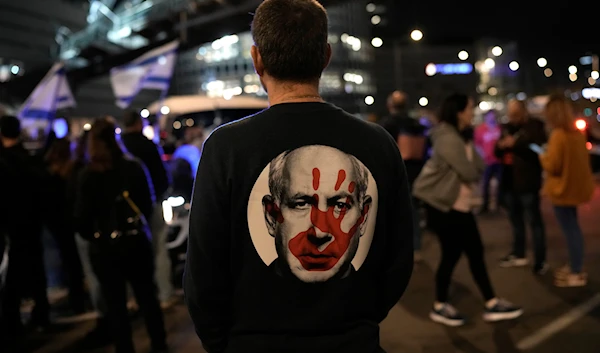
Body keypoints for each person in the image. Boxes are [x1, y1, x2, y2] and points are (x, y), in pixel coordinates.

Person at [184, 1, 414, 352]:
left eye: (339, 204)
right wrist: (357, 322)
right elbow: (398, 260)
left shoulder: (226, 147)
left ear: (256, 59)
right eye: (300, 202)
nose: (320, 230)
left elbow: (203, 273)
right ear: (326, 56)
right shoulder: (378, 143)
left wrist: (226, 343)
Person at [413, 94, 523, 327]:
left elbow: (480, 165)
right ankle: (452, 305)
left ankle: (483, 303)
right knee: (462, 253)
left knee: (464, 253)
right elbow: (470, 172)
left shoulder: (462, 136)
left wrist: (471, 160)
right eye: (470, 108)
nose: (473, 112)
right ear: (459, 112)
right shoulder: (447, 138)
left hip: (457, 205)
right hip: (442, 205)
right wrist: (471, 164)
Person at [74, 117, 167, 353]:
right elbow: (147, 204)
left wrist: (95, 236)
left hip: (105, 247)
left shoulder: (88, 175)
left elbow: (81, 218)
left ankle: (125, 348)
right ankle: (159, 345)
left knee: (116, 305)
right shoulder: (133, 167)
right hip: (135, 242)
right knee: (147, 297)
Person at [0, 115, 50, 341]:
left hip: (13, 226)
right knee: (36, 272)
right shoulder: (28, 159)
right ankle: (41, 315)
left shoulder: (7, 162)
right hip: (32, 223)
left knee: (13, 277)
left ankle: (13, 325)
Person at [539, 95, 594, 287]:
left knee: (571, 231)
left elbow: (553, 166)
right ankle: (574, 266)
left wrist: (541, 156)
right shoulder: (577, 134)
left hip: (561, 191)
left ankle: (576, 271)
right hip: (575, 189)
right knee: (574, 229)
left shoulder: (558, 136)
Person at [120, 111, 174, 308]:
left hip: (125, 210)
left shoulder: (119, 146)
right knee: (159, 248)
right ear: (138, 123)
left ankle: (133, 299)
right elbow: (162, 176)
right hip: (151, 203)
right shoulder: (148, 145)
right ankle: (165, 295)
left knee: (129, 255)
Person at [494, 99, 548, 273]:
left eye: (515, 113)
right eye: (510, 113)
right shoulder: (507, 128)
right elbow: (497, 151)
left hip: (527, 181)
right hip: (509, 182)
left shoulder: (534, 127)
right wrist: (501, 146)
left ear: (523, 111)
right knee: (516, 221)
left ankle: (540, 261)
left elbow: (538, 149)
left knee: (534, 222)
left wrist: (515, 144)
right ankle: (519, 253)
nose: (512, 117)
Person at [379, 91, 427, 261]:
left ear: (390, 105)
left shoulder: (387, 124)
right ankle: (416, 247)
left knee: (391, 212)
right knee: (413, 211)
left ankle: (394, 248)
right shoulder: (415, 124)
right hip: (416, 172)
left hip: (395, 172)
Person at [44, 138, 86, 314]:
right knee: (74, 263)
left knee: (67, 262)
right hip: (71, 223)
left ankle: (73, 296)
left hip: (57, 224)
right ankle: (77, 298)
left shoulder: (49, 174)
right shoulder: (74, 172)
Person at [474, 110, 502, 212]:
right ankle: (485, 205)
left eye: (493, 116)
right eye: (490, 116)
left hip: (499, 161)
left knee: (500, 183)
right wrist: (482, 156)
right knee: (485, 184)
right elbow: (477, 145)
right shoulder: (481, 130)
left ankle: (499, 205)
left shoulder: (499, 129)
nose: (492, 118)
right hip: (487, 161)